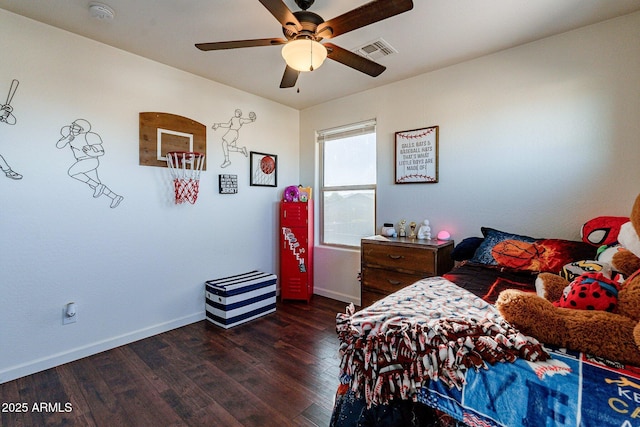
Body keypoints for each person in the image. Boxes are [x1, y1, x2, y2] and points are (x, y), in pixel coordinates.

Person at [56, 119, 123, 208]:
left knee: (72, 172)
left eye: (76, 128)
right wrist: (67, 139)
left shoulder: (88, 137)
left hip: (90, 160)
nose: (72, 129)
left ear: (82, 130)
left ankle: (98, 186)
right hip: (81, 161)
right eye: (72, 127)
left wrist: (91, 152)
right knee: (94, 184)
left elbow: (101, 152)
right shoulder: (68, 135)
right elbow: (59, 145)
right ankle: (115, 197)